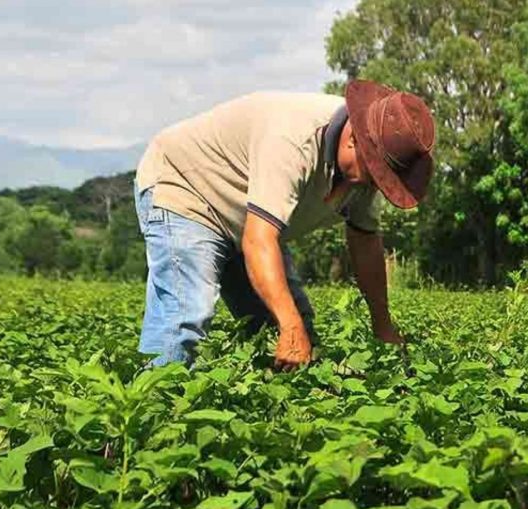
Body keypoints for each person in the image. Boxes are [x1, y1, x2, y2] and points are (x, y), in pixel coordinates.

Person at [133, 80, 435, 370]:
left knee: (295, 339)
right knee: (186, 319)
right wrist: (290, 327)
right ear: (354, 139)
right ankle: (153, 410)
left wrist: (383, 327)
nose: (373, 183)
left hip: (246, 218)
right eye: (374, 172)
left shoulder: (366, 174)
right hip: (188, 190)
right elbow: (258, 240)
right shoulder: (292, 138)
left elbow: (365, 241)